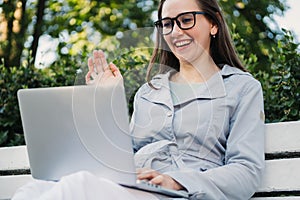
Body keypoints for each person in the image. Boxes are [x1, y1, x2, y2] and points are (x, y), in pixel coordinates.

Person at [13, 0, 264, 199]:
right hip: (133, 186)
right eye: (166, 24)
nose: (175, 32)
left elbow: (247, 170)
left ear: (214, 24)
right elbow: (120, 156)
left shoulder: (242, 88)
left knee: (78, 188)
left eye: (186, 20)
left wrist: (176, 181)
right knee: (34, 189)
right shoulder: (149, 92)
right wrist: (106, 101)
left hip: (181, 194)